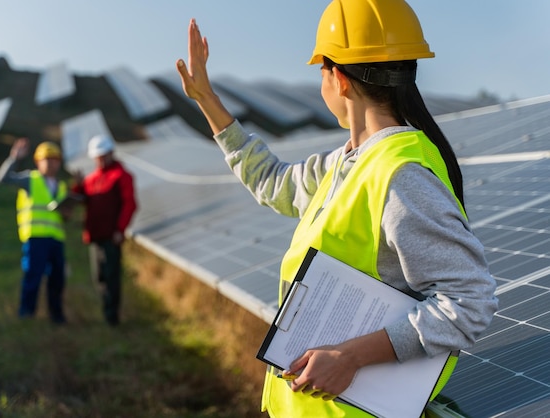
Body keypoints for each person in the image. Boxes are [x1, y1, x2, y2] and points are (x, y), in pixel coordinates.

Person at [176, 0, 499, 416]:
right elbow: (273, 182)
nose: (320, 79)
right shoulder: (346, 163)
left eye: (321, 68)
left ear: (340, 78)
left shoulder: (402, 177)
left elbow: (469, 302)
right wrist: (206, 99)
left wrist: (351, 357)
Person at [0, 138, 69, 324]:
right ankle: (26, 315)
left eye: (55, 159)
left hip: (56, 239)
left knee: (57, 279)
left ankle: (56, 316)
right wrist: (14, 158)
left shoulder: (61, 186)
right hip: (36, 238)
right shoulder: (30, 179)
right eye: (47, 159)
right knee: (33, 276)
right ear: (38, 161)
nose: (51, 163)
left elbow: (63, 215)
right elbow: (2, 179)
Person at [72, 133, 137, 326]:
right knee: (99, 276)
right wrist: (77, 186)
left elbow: (130, 204)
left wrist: (120, 229)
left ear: (111, 153)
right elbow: (81, 199)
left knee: (111, 276)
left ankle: (112, 317)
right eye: (97, 156)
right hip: (95, 235)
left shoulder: (122, 176)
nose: (101, 159)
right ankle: (106, 311)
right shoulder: (91, 180)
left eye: (104, 155)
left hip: (111, 237)